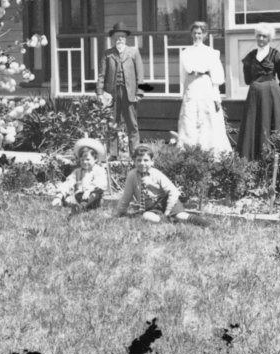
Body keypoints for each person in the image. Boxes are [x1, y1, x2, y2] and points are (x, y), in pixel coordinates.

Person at [114, 145, 209, 226]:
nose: (142, 163)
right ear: (134, 162)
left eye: (146, 160)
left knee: (181, 216)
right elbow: (126, 196)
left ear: (152, 162)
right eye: (139, 160)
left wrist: (167, 211)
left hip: (166, 202)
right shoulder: (132, 175)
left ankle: (208, 224)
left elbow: (173, 192)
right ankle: (167, 221)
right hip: (151, 207)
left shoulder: (156, 174)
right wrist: (120, 213)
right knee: (147, 217)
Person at [175, 21, 232, 155]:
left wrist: (216, 97)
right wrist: (182, 93)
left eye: (200, 33)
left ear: (205, 34)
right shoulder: (185, 53)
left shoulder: (211, 53)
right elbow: (183, 76)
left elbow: (217, 77)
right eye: (194, 33)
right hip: (191, 87)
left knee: (207, 118)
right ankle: (189, 151)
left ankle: (209, 152)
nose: (197, 36)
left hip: (205, 85)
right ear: (191, 34)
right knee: (189, 118)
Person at [237, 22, 280, 160]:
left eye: (264, 36)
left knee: (273, 123)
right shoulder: (250, 57)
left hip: (272, 94)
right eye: (259, 36)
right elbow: (247, 79)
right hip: (254, 95)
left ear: (269, 38)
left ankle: (273, 158)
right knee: (253, 124)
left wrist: (276, 92)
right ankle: (252, 158)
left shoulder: (276, 55)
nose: (261, 39)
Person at [96, 22, 145, 150]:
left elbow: (140, 74)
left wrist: (139, 92)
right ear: (113, 38)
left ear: (126, 38)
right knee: (112, 122)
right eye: (117, 37)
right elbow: (101, 74)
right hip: (111, 93)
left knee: (132, 124)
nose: (119, 39)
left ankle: (134, 152)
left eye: (122, 37)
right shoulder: (108, 54)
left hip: (129, 93)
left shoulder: (133, 52)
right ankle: (113, 153)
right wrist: (100, 93)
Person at [51, 137, 108, 213]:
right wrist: (59, 195)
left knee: (95, 194)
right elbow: (69, 182)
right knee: (67, 198)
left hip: (93, 198)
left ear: (95, 159)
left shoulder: (99, 170)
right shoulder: (78, 171)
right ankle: (64, 203)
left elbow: (100, 184)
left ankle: (82, 206)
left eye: (87, 159)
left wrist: (88, 190)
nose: (84, 162)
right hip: (79, 197)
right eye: (82, 160)